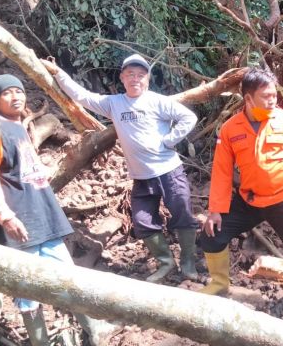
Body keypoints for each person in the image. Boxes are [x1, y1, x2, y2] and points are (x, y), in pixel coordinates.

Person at [0, 74, 120, 346]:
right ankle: (40, 344)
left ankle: (94, 330)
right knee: (26, 290)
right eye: (7, 93)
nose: (16, 96)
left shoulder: (17, 126)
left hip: (42, 216)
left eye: (19, 90)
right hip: (17, 221)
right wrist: (4, 215)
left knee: (69, 279)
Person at [40, 55, 199, 283]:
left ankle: (188, 263)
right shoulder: (114, 104)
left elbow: (188, 117)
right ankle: (166, 262)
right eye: (130, 74)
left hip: (169, 171)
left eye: (140, 75)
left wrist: (170, 140)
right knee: (143, 220)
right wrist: (58, 73)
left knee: (182, 212)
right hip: (141, 177)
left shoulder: (157, 101)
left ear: (147, 79)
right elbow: (82, 96)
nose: (135, 79)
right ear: (123, 78)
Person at [200, 68, 283, 327]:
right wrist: (215, 209)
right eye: (266, 96)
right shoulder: (229, 129)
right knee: (211, 235)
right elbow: (222, 172)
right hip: (250, 200)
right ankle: (219, 285)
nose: (273, 101)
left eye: (274, 96)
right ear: (248, 99)